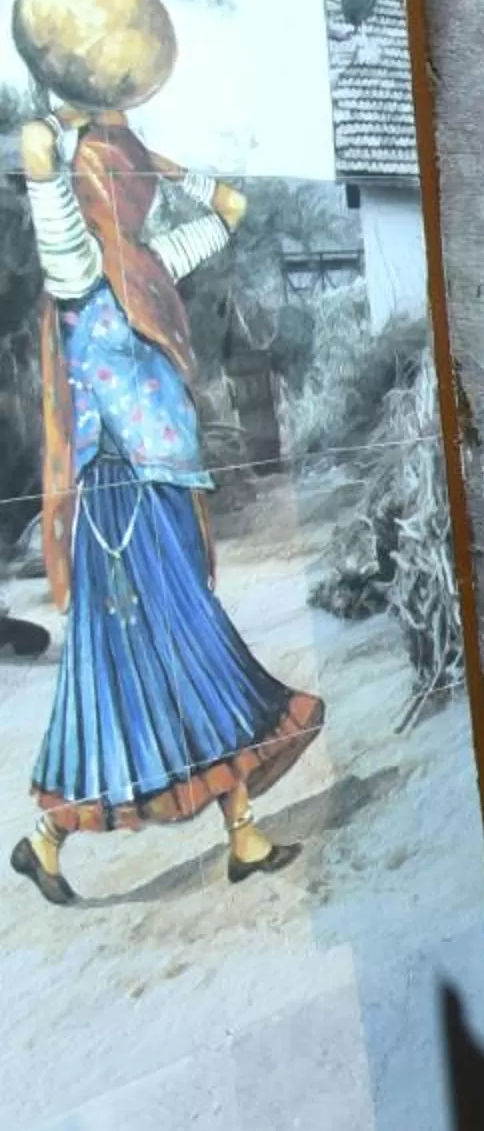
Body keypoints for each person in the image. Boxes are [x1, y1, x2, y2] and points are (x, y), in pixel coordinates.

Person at [10, 104, 321, 905]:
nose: (132, 191)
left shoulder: (147, 263)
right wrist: (62, 127)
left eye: (129, 178)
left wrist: (171, 164)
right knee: (153, 662)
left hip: (166, 487)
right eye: (123, 178)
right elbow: (39, 159)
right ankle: (61, 835)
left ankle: (229, 832)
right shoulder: (77, 265)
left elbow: (232, 211)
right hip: (120, 502)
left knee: (177, 656)